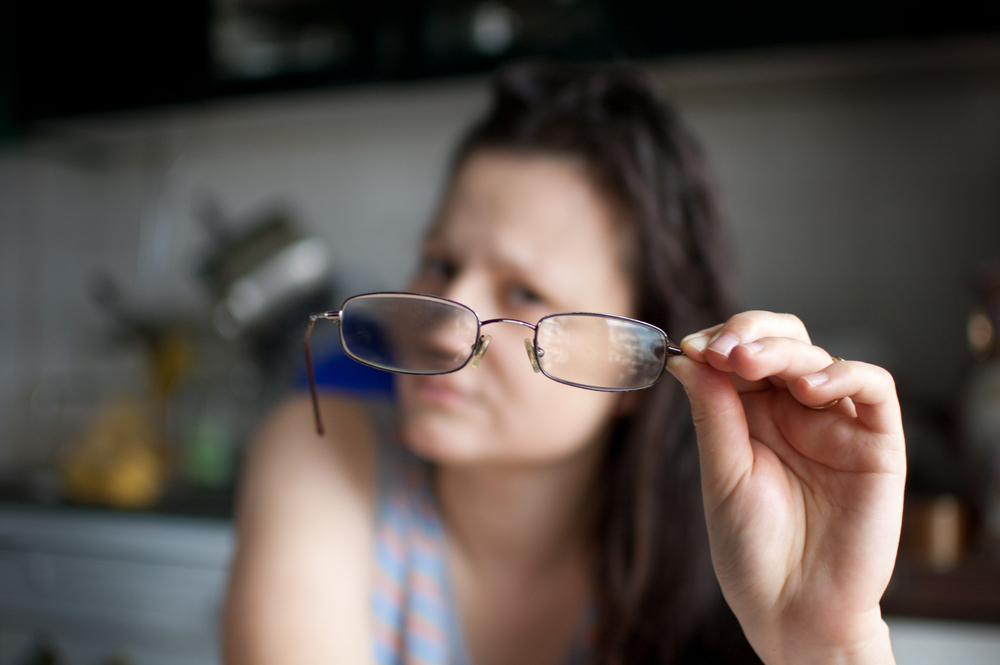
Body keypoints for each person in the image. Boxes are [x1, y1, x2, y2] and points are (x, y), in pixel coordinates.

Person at [222, 62, 905, 665]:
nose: (440, 323)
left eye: (525, 291)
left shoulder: (716, 553)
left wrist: (826, 642)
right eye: (441, 263)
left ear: (635, 365)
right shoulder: (319, 448)